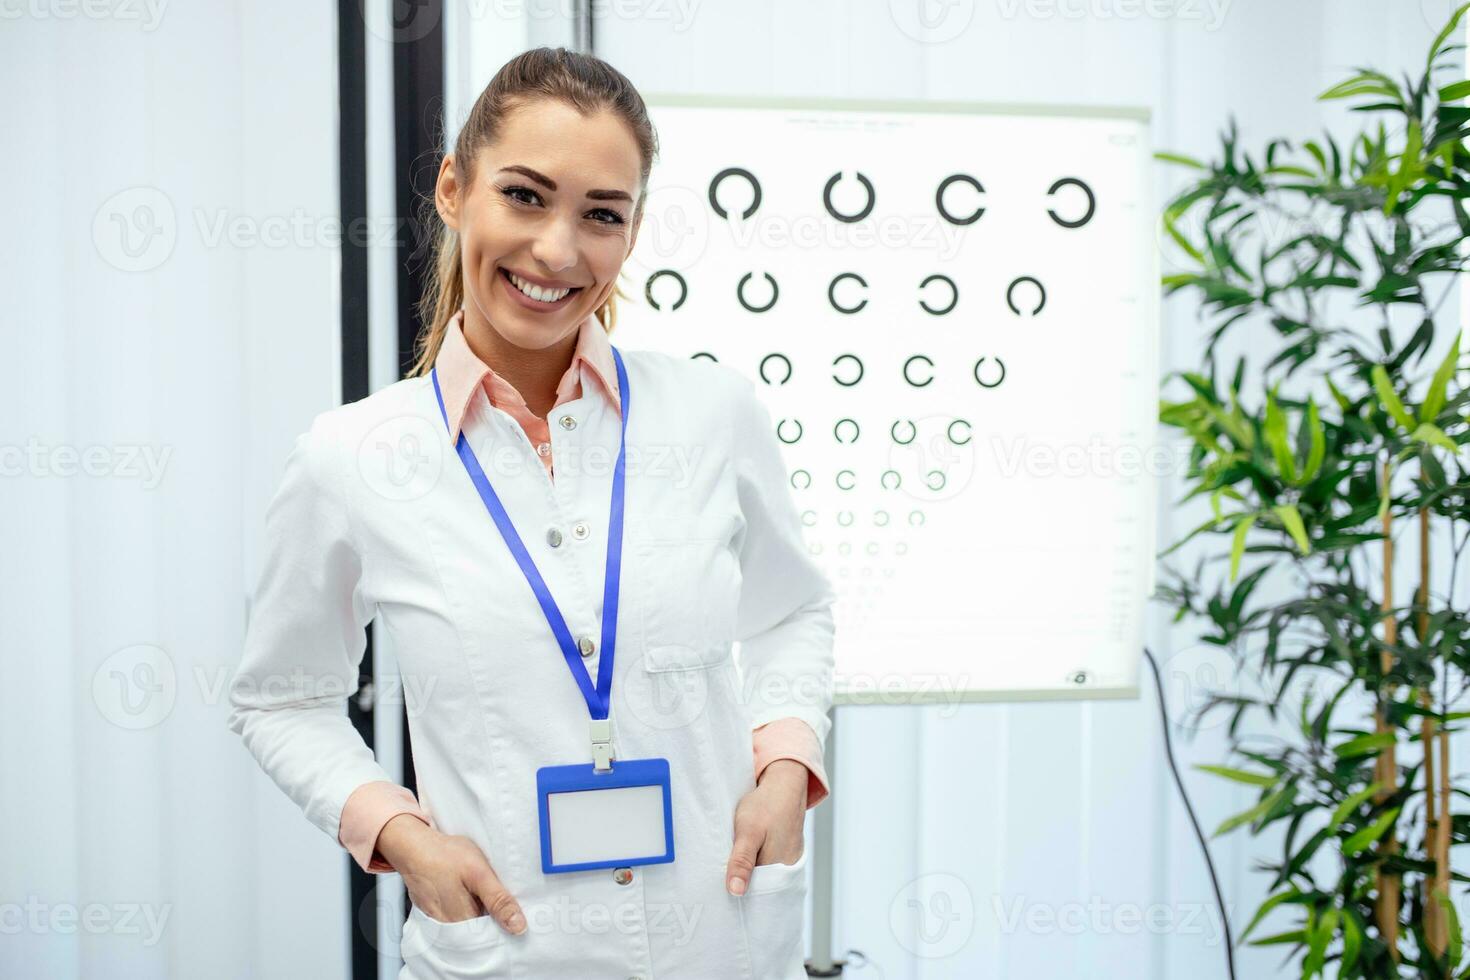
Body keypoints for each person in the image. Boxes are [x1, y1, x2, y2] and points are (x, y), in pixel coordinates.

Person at [226, 46, 836, 980]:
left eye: (601, 215)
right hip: (508, 948)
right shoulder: (350, 458)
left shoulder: (715, 416)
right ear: (451, 188)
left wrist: (788, 764)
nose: (558, 250)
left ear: (631, 235)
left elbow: (792, 609)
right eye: (523, 195)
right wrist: (396, 830)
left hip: (721, 937)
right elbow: (280, 695)